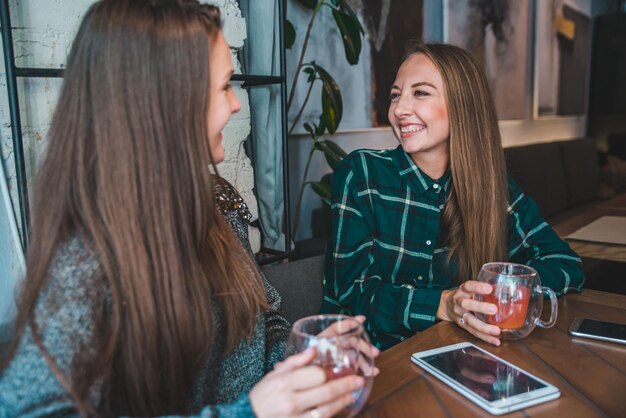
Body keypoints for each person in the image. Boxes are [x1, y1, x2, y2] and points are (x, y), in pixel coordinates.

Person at [0, 1, 369, 417]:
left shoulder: (217, 200)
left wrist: (303, 363)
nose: (234, 105)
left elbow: (265, 322)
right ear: (165, 103)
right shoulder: (86, 255)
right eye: (225, 86)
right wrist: (250, 412)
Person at [321, 42, 585, 350]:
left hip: (459, 352)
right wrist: (443, 304)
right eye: (395, 95)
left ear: (463, 104)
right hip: (368, 361)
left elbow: (566, 264)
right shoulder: (362, 172)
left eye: (420, 93)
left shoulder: (493, 188)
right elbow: (351, 292)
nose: (399, 109)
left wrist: (497, 290)